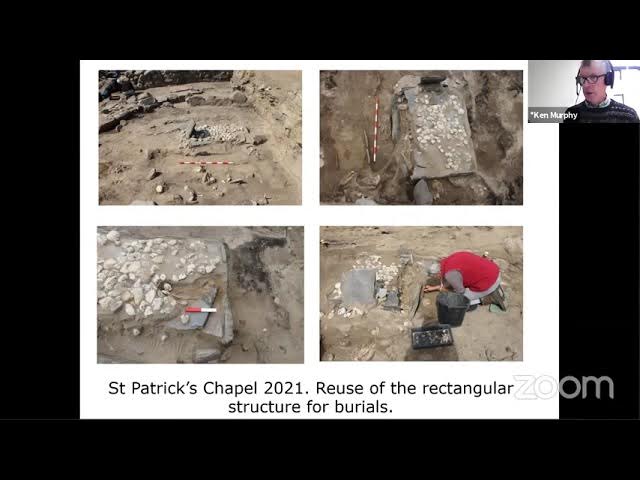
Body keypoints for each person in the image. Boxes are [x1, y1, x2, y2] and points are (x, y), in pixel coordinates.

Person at [423, 251, 504, 311]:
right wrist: (435, 287)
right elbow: (451, 278)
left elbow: (460, 292)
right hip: (493, 269)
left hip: (491, 281)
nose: (436, 278)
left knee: (458, 300)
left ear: (437, 273)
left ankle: (486, 297)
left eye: (435, 276)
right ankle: (486, 291)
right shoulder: (449, 260)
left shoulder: (450, 275)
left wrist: (441, 289)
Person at [564, 60, 639, 123]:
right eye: (582, 78)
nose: (585, 85)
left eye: (593, 77)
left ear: (608, 79)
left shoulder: (629, 116)